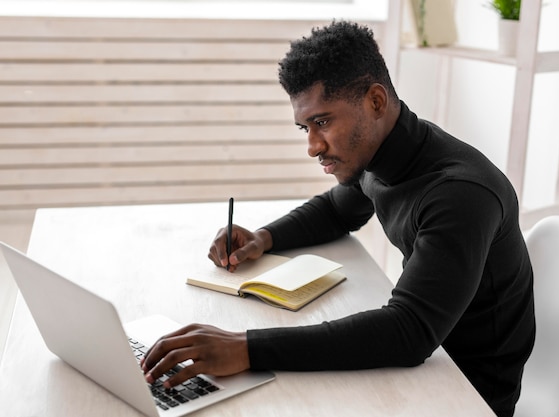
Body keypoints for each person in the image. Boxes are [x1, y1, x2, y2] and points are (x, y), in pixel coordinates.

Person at [141, 20, 535, 417]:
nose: (313, 146)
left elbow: (410, 332)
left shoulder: (459, 194)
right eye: (305, 127)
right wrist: (262, 238)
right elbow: (335, 210)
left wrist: (246, 347)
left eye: (323, 122)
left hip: (468, 392)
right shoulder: (380, 152)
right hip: (426, 363)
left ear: (376, 102)